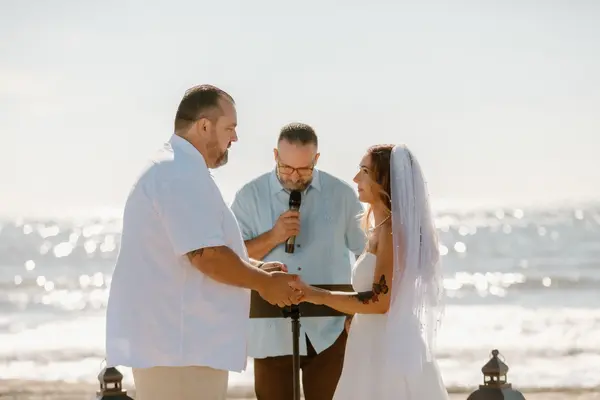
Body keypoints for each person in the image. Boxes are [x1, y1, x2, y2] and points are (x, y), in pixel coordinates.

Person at [105, 85, 301, 400]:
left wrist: (253, 267)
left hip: (180, 347)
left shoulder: (177, 168)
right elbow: (206, 256)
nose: (235, 138)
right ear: (205, 126)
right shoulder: (178, 172)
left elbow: (190, 250)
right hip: (181, 349)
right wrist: (264, 283)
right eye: (230, 128)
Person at [290, 144, 449, 400]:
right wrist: (354, 314)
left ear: (385, 180)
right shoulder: (381, 229)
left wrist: (314, 294)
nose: (356, 179)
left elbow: (380, 301)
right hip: (369, 342)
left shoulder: (391, 232)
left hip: (384, 349)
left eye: (365, 171)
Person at [230, 122, 367, 400]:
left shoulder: (341, 195)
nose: (294, 177)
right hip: (271, 330)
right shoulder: (249, 196)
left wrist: (359, 307)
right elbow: (233, 258)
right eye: (286, 168)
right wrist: (274, 236)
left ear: (316, 159)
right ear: (275, 156)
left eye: (304, 169)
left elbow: (365, 253)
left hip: (330, 331)